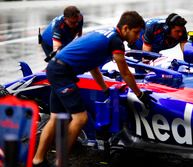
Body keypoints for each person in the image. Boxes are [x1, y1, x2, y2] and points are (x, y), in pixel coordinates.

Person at [32, 11, 150, 167]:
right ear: (126, 28)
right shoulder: (116, 41)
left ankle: (37, 161)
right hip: (63, 73)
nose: (136, 37)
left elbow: (93, 66)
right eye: (136, 33)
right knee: (80, 118)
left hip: (55, 68)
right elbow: (126, 72)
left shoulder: (105, 33)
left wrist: (104, 88)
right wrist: (140, 95)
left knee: (56, 118)